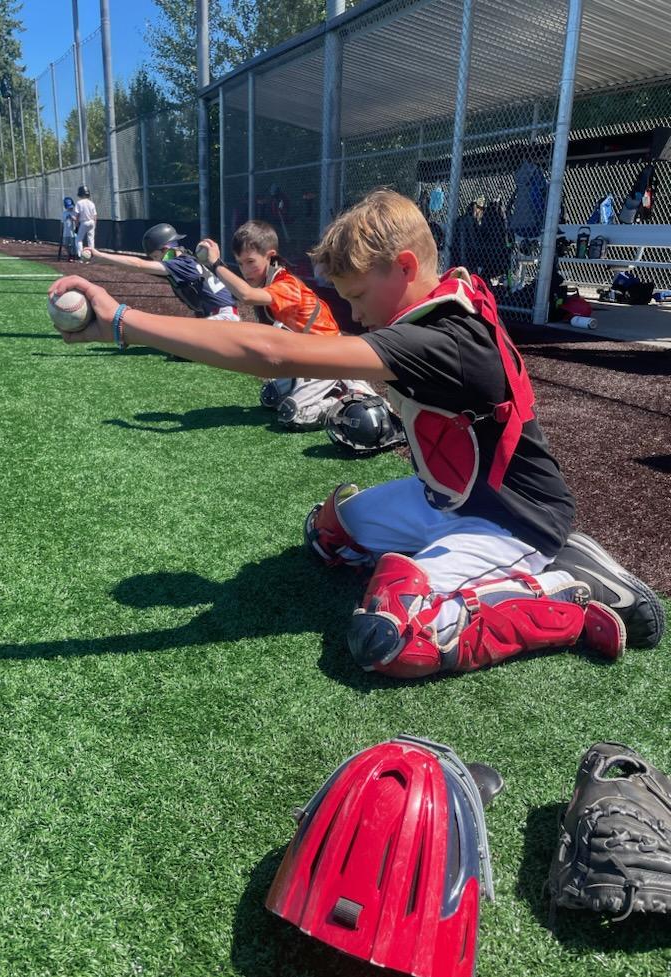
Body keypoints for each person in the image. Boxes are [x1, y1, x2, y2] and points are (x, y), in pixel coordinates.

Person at [48, 188, 665, 680]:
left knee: (394, 638)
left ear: (405, 268)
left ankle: (570, 590)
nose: (355, 313)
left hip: (513, 519)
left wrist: (123, 320)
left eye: (360, 295)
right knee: (328, 538)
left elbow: (271, 352)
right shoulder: (435, 313)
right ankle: (468, 567)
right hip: (447, 500)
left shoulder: (443, 339)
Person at [197, 219, 399, 440]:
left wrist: (216, 264)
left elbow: (246, 295)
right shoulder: (269, 282)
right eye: (240, 263)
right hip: (306, 355)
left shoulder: (286, 284)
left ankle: (348, 396)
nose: (245, 270)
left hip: (327, 356)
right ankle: (340, 384)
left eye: (250, 262)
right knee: (270, 397)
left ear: (270, 255)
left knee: (294, 415)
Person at [85, 223, 239, 323]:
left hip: (225, 318)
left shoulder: (180, 264)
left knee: (177, 340)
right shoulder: (185, 259)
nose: (155, 261)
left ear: (165, 250)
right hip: (218, 316)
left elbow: (139, 264)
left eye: (155, 257)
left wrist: (101, 257)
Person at [74, 185, 97, 259]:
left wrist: (76, 225)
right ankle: (91, 255)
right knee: (91, 239)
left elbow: (77, 215)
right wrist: (94, 225)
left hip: (84, 222)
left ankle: (81, 256)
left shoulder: (79, 203)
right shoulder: (91, 203)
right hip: (92, 222)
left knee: (78, 239)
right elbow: (95, 215)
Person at [61, 196, 78, 262]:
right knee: (65, 244)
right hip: (66, 232)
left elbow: (77, 221)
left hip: (73, 232)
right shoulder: (64, 213)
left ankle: (73, 256)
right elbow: (62, 222)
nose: (70, 208)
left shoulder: (75, 213)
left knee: (73, 245)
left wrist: (73, 218)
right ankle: (70, 254)